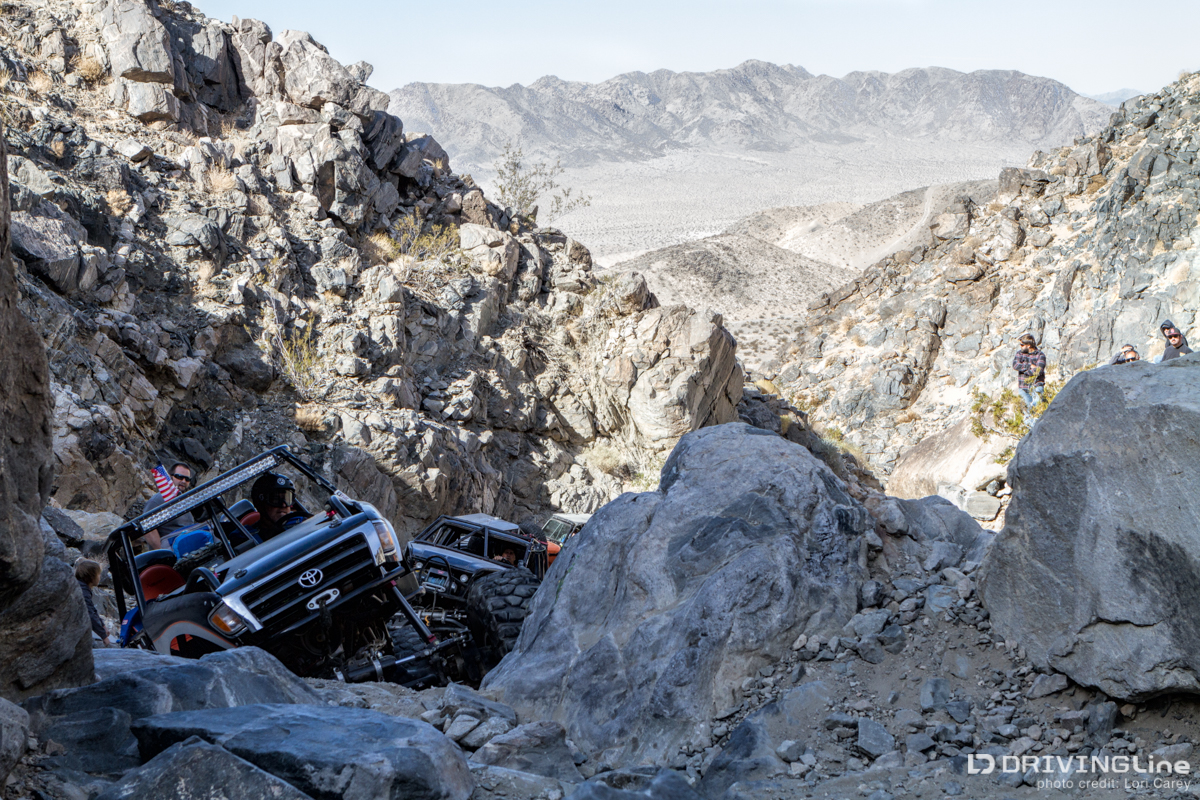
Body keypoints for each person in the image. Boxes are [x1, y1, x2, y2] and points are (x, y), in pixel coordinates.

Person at [142, 461, 195, 549]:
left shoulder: (187, 500)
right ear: (170, 477)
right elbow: (147, 529)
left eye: (187, 479)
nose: (183, 481)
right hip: (173, 554)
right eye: (179, 477)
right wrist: (166, 553)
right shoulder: (157, 501)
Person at [249, 472, 305, 541]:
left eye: (287, 499)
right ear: (259, 504)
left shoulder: (302, 523)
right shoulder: (247, 537)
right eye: (275, 499)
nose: (283, 505)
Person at [75, 558, 112, 646]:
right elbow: (90, 614)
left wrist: (103, 626)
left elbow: (92, 610)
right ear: (91, 576)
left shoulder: (82, 588)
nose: (100, 577)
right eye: (98, 574)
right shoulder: (82, 591)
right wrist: (104, 637)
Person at [1012, 334, 1047, 410]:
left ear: (1028, 345)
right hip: (1023, 388)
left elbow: (1038, 371)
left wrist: (1024, 371)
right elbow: (1015, 365)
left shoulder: (1040, 355)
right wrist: (1029, 366)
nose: (1020, 346)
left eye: (1022, 344)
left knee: (1038, 411)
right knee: (1026, 413)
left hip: (1037, 386)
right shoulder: (1019, 354)